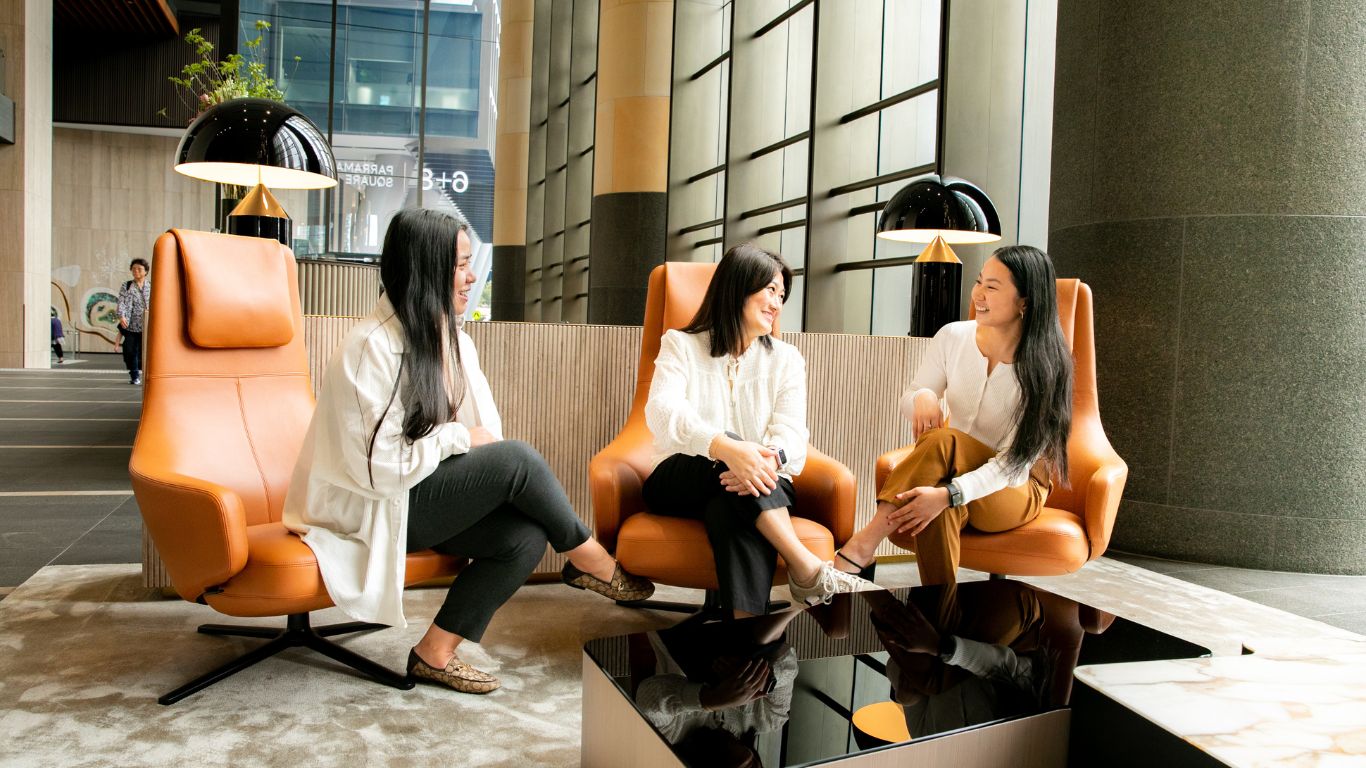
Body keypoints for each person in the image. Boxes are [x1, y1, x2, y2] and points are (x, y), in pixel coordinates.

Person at [283, 208, 653, 695]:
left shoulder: (455, 340)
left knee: (523, 538)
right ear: (426, 268)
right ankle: (593, 560)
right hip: (370, 505)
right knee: (519, 459)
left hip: (418, 494)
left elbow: (487, 435)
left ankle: (434, 653)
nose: (472, 274)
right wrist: (457, 440)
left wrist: (470, 456)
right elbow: (378, 471)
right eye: (460, 264)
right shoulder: (368, 348)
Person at [642, 244, 872, 617]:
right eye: (769, 290)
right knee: (734, 454)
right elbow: (663, 412)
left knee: (727, 506)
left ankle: (746, 635)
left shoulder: (786, 360)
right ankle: (806, 566)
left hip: (758, 481)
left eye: (781, 295)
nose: (777, 304)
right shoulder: (680, 345)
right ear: (737, 287)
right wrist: (724, 448)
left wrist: (764, 457)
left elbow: (793, 435)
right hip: (679, 477)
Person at [833, 245, 1074, 587]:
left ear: (1025, 302)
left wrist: (951, 493)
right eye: (979, 282)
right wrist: (924, 397)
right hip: (954, 471)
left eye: (992, 287)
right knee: (933, 503)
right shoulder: (953, 336)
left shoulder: (1046, 369)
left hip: (1015, 489)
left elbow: (1012, 466)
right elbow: (912, 397)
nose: (978, 294)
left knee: (943, 446)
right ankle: (939, 622)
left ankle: (863, 545)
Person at [116, 258, 151, 385]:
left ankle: (147, 374)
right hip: (130, 325)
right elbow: (121, 302)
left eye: (139, 269)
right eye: (134, 268)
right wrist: (121, 316)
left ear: (146, 271)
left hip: (148, 325)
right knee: (130, 350)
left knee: (147, 352)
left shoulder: (152, 286)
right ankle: (134, 374)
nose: (136, 271)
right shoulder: (127, 286)